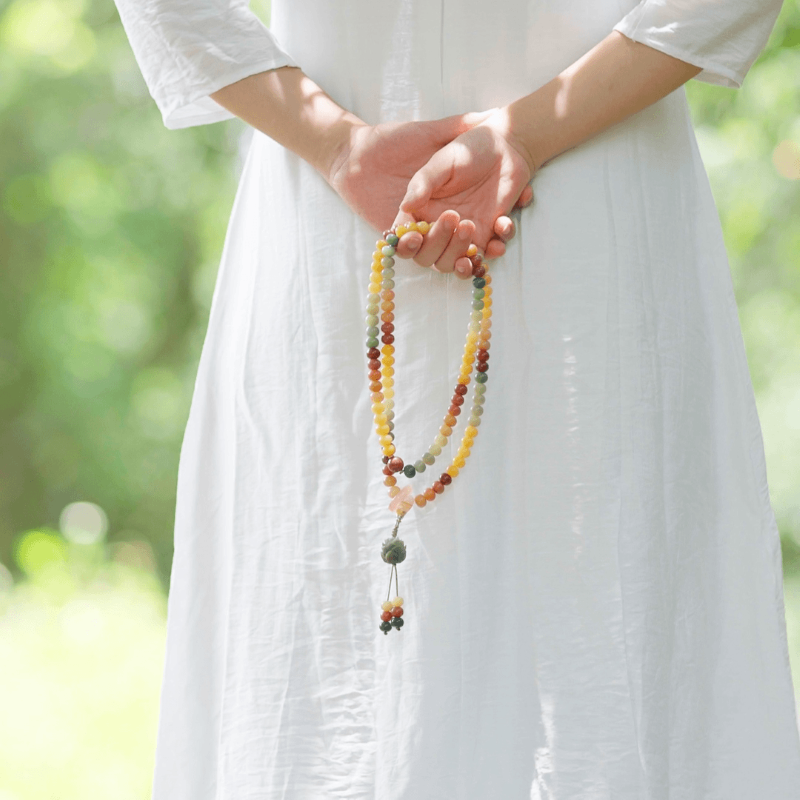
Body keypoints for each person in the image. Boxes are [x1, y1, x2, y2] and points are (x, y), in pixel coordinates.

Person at [112, 0, 800, 797]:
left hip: (565, 207)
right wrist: (338, 144)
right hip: (368, 219)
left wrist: (368, 141)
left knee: (598, 639)